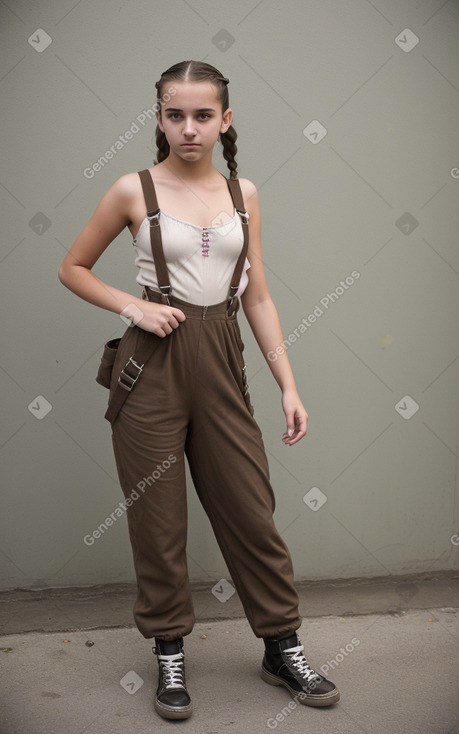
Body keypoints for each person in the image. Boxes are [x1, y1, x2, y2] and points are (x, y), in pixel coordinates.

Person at [58, 60, 340, 721]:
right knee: (158, 525)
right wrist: (134, 308)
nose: (188, 128)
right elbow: (70, 267)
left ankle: (281, 646)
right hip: (148, 368)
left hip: (220, 359)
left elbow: (259, 296)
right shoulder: (132, 189)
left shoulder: (245, 194)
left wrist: (288, 386)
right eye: (174, 114)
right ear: (157, 117)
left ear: (224, 120)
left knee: (251, 512)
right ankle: (169, 653)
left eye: (202, 115)